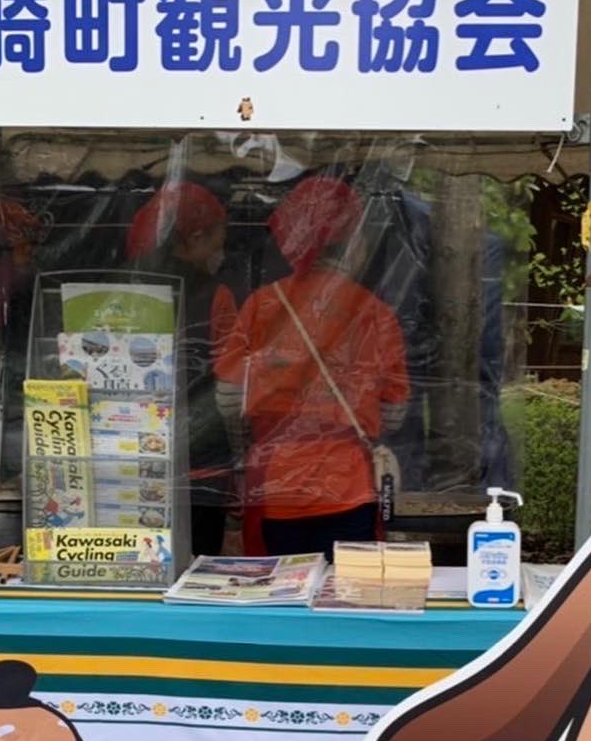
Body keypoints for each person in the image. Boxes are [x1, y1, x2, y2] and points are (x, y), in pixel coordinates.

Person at [214, 176, 409, 557]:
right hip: (350, 484)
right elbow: (395, 411)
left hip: (276, 485)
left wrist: (247, 443)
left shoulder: (262, 305)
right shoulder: (375, 312)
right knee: (346, 587)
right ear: (353, 241)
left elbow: (227, 398)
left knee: (281, 588)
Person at [127, 181, 238, 557]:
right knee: (199, 567)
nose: (222, 251)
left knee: (139, 564)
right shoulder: (216, 296)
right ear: (195, 237)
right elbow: (231, 387)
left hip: (130, 460)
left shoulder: (125, 291)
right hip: (202, 469)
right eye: (218, 240)